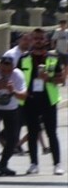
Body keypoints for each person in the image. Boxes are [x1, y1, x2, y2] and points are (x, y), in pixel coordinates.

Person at [19, 34, 64, 174]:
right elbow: (16, 77)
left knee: (51, 133)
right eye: (35, 38)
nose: (38, 41)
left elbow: (61, 79)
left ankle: (57, 164)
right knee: (32, 133)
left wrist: (48, 78)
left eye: (40, 38)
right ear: (31, 41)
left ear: (45, 41)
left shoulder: (53, 58)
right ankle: (33, 164)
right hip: (30, 100)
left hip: (48, 100)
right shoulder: (23, 59)